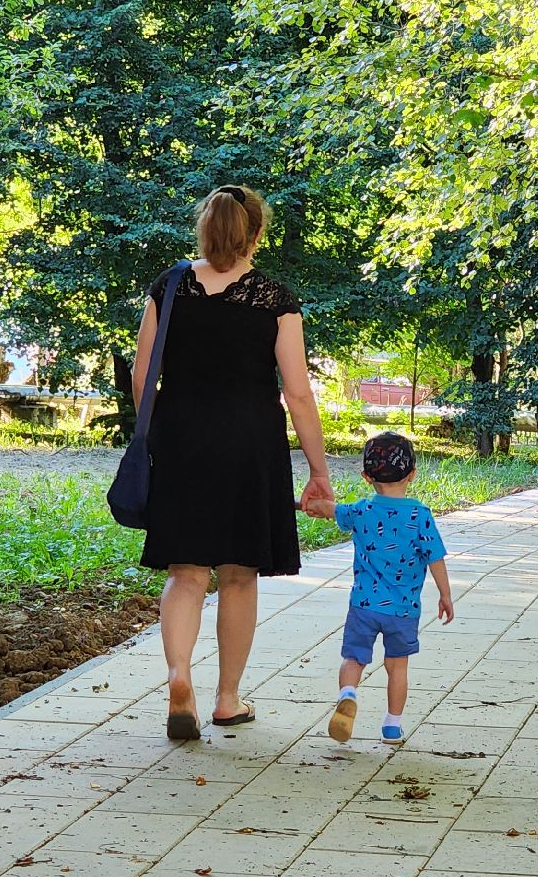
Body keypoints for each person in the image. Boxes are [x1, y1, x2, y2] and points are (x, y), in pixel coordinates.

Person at [133, 185, 333, 741]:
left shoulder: (169, 287)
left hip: (182, 440)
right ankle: (226, 700)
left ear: (205, 227)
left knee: (186, 572)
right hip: (250, 444)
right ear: (256, 234)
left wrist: (158, 437)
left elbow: (143, 375)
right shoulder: (275, 299)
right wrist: (318, 471)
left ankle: (179, 677)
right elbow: (298, 393)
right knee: (239, 575)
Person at [303, 432, 454, 744]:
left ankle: (348, 693)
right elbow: (435, 558)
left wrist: (313, 504)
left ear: (366, 476)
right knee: (397, 666)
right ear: (412, 474)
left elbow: (331, 509)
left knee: (354, 658)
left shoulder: (360, 511)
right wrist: (445, 594)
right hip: (403, 610)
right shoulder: (420, 515)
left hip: (364, 605)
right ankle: (392, 725)